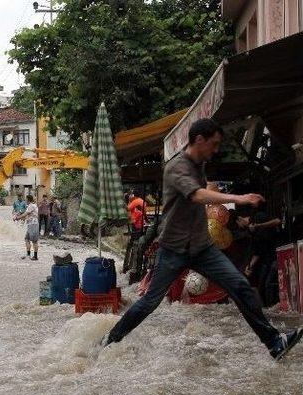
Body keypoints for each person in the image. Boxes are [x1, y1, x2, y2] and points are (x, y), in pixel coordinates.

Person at [102, 118, 302, 360]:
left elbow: (204, 189)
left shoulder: (199, 165)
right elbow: (197, 195)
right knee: (149, 302)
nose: (216, 150)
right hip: (173, 249)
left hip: (202, 247)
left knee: (240, 285)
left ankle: (274, 343)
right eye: (214, 144)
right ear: (199, 140)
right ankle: (110, 340)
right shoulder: (175, 166)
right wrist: (240, 199)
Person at [15, 194, 39, 260]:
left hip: (33, 224)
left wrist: (17, 218)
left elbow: (26, 214)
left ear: (28, 199)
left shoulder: (32, 206)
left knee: (34, 241)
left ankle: (35, 256)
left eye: (26, 199)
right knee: (26, 239)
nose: (25, 200)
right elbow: (26, 215)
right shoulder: (30, 206)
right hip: (30, 225)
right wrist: (20, 218)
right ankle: (28, 254)